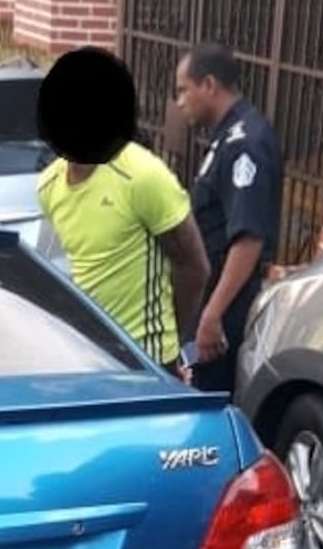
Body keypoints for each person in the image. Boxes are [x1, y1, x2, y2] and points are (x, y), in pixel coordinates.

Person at [37, 47, 207, 374]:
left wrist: (170, 348)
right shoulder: (48, 186)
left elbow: (193, 267)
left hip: (146, 359)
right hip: (89, 356)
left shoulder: (142, 175)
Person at [174, 43, 284, 395]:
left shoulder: (244, 144)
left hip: (225, 311)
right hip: (210, 302)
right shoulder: (227, 138)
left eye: (183, 90)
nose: (179, 102)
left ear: (208, 85)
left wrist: (212, 314)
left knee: (208, 406)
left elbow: (248, 239)